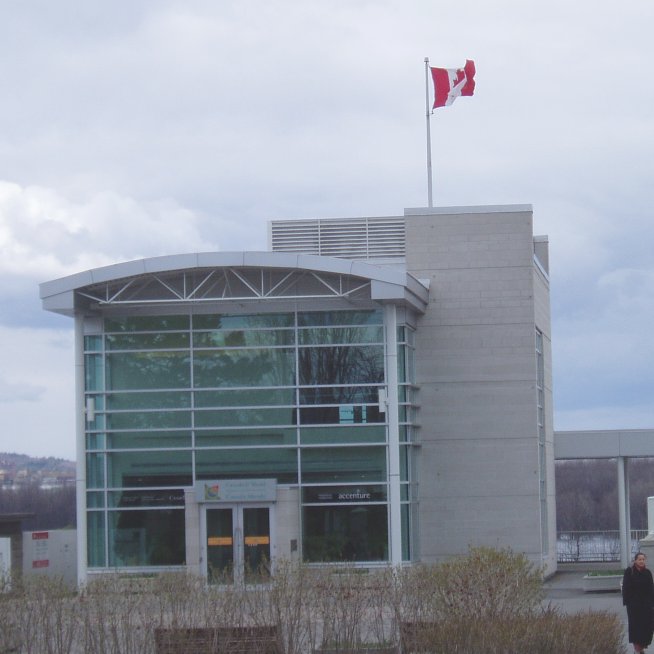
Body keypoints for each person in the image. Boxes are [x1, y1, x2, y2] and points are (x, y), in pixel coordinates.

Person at [622, 552, 654, 653]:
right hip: (634, 607)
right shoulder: (629, 571)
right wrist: (628, 603)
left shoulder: (647, 572)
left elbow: (651, 589)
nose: (641, 561)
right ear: (635, 560)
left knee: (646, 629)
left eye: (643, 559)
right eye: (639, 559)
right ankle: (637, 650)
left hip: (646, 606)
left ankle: (642, 648)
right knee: (636, 629)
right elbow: (626, 588)